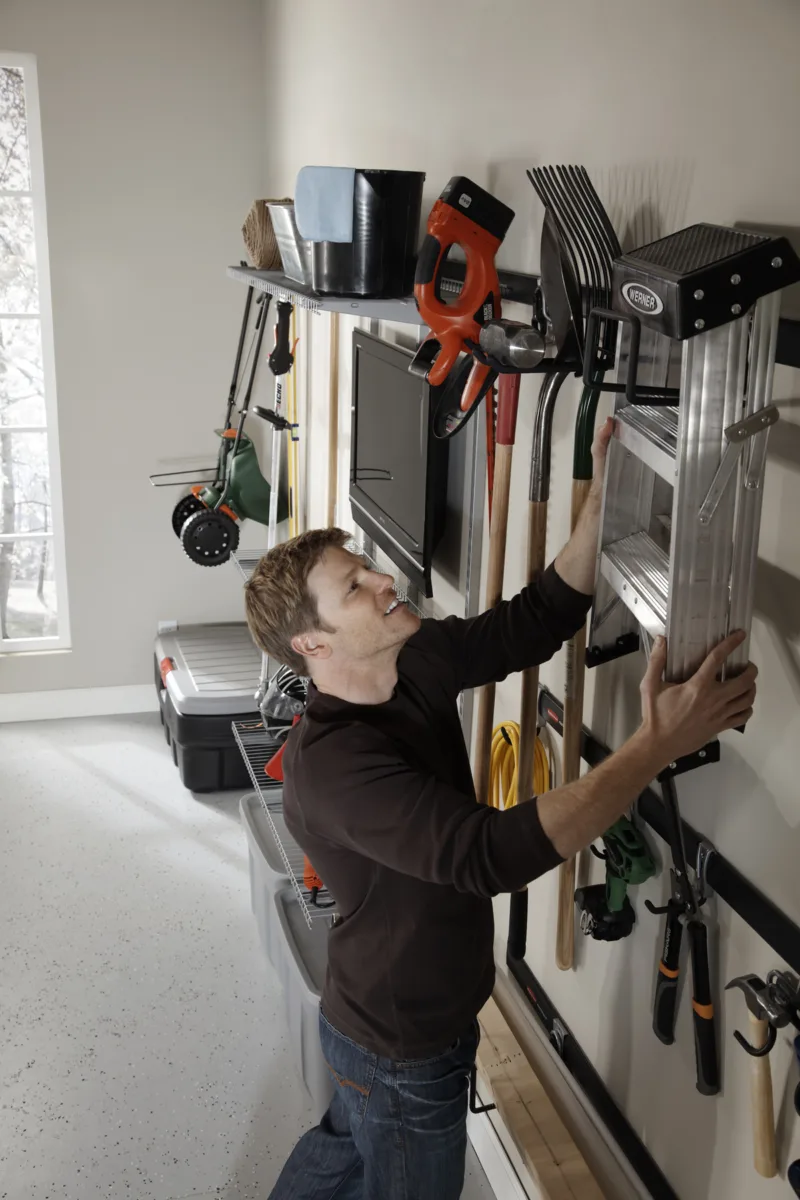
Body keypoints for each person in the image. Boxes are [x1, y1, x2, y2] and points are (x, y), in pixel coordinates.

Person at [243, 419, 757, 1200]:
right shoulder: (338, 769)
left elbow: (535, 619)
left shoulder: (410, 658)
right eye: (355, 588)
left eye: (368, 569)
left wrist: (600, 505)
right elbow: (490, 855)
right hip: (400, 1045)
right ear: (312, 645)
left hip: (383, 1030)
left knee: (345, 1155)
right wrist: (655, 744)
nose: (385, 581)